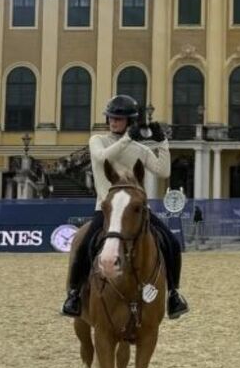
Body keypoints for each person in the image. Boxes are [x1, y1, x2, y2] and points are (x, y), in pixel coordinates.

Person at [61, 94, 189, 320]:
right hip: (106, 208)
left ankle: (173, 294)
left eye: (119, 119)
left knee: (171, 242)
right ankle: (74, 294)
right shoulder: (97, 140)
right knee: (84, 245)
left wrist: (162, 143)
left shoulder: (139, 149)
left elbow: (163, 171)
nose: (113, 121)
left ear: (129, 121)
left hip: (135, 210)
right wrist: (128, 138)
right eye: (111, 117)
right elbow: (102, 159)